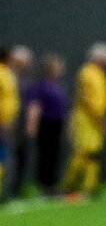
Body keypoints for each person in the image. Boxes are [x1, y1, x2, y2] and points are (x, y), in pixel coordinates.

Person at [62, 43, 106, 200]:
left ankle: (90, 186)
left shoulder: (100, 74)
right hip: (86, 119)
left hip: (97, 118)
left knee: (94, 153)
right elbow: (86, 98)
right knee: (83, 153)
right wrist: (98, 117)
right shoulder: (87, 72)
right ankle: (69, 185)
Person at [23, 53, 69, 196]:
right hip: (46, 124)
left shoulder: (57, 86)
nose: (61, 69)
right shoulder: (41, 87)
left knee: (55, 154)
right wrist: (32, 125)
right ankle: (46, 185)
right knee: (46, 155)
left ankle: (53, 183)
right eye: (58, 66)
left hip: (57, 124)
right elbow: (35, 107)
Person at [0, 45, 33, 199]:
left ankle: (6, 191)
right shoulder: (3, 74)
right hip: (3, 123)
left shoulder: (7, 74)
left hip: (9, 122)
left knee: (7, 157)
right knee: (3, 157)